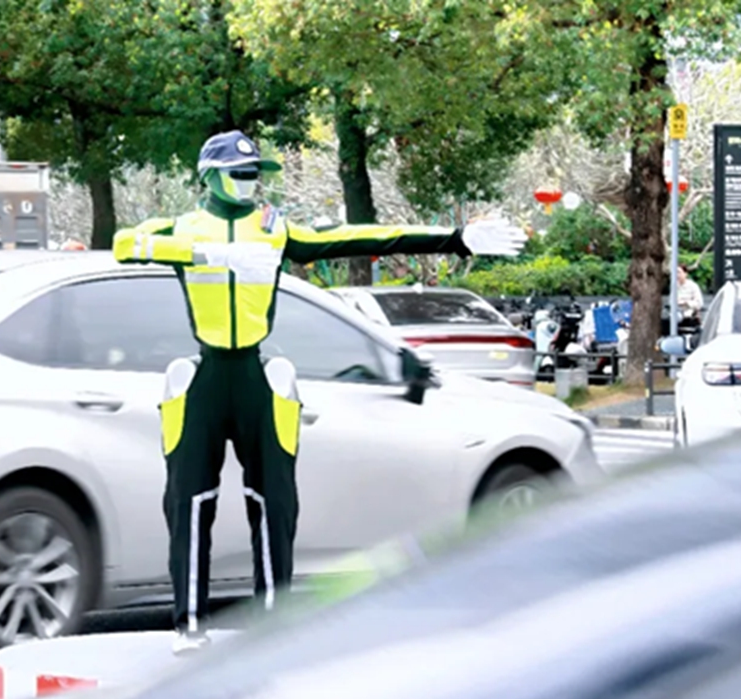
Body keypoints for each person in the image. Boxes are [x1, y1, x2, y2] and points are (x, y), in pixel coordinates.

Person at [112, 130, 526, 655]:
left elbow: (359, 237)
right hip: (206, 376)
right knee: (189, 502)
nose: (250, 182)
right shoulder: (183, 227)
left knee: (276, 504)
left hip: (256, 377)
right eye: (239, 173)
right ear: (209, 175)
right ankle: (189, 624)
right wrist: (208, 254)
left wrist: (455, 238)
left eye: (255, 173)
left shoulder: (274, 229)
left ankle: (271, 628)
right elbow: (126, 244)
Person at [676, 264, 703, 328]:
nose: (677, 275)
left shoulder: (693, 286)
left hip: (690, 317)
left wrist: (687, 302)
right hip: (677, 316)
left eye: (679, 272)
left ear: (685, 274)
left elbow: (700, 303)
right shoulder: (675, 286)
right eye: (676, 273)